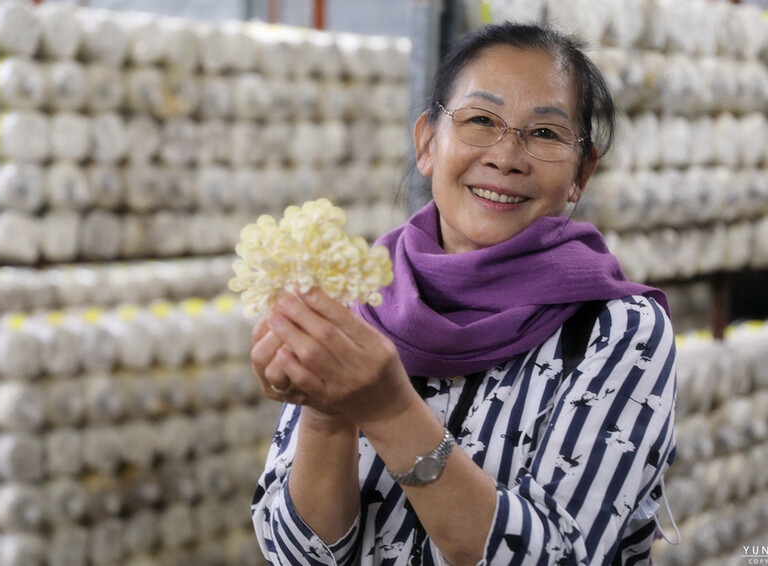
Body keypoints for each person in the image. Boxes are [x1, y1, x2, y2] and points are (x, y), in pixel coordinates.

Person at [250, 21, 676, 566]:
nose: (506, 156)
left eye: (544, 133)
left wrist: (388, 410)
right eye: (480, 120)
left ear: (581, 174)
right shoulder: (356, 298)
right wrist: (327, 416)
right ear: (427, 143)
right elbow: (297, 556)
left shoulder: (616, 330)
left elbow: (557, 556)